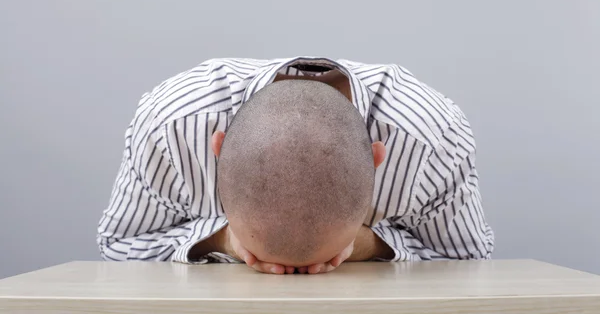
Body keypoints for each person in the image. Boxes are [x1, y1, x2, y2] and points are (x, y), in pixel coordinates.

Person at [97, 57, 494, 275]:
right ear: (219, 149)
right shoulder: (172, 125)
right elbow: (119, 247)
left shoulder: (433, 137)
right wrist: (223, 241)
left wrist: (366, 245)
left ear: (376, 160)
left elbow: (469, 262)